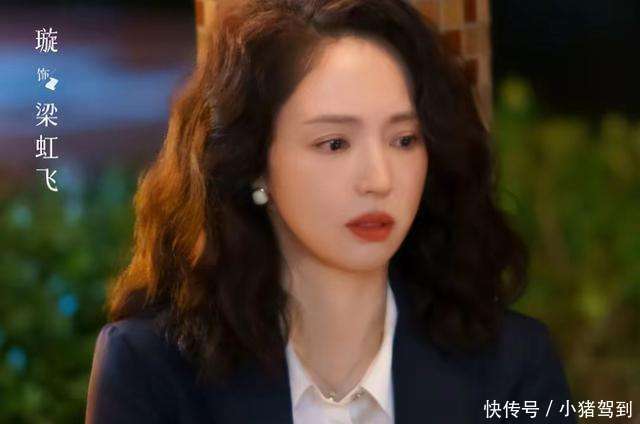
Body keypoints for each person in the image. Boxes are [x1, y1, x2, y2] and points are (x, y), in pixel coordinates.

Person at [85, 0, 577, 423]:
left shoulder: (512, 364)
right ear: (253, 162)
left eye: (404, 140)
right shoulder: (151, 369)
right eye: (335, 143)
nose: (379, 179)